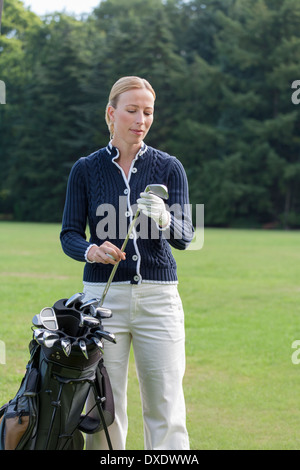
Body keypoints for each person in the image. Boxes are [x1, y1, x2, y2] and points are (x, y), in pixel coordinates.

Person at [60, 76, 194, 450]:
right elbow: (69, 234)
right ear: (111, 113)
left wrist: (166, 217)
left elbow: (186, 236)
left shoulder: (169, 167)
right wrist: (91, 250)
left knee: (166, 405)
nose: (141, 119)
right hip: (104, 302)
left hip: (159, 301)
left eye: (147, 112)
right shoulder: (85, 169)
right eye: (132, 110)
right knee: (103, 408)